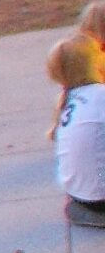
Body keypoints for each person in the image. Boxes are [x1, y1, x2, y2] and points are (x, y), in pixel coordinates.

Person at [51, 32, 105, 227]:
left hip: (80, 194)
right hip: (99, 197)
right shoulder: (100, 95)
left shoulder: (70, 98)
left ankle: (87, 211)